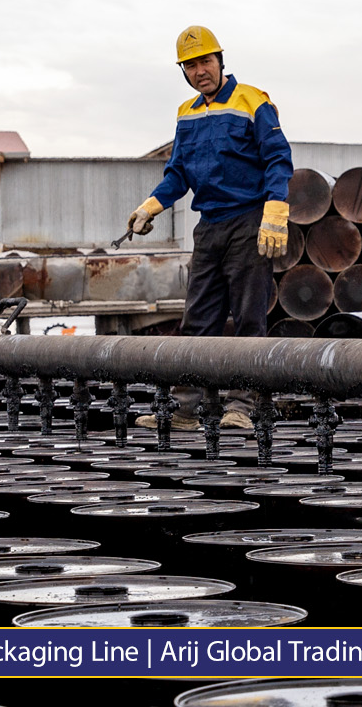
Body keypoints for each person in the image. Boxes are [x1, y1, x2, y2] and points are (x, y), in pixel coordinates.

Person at [130, 26, 294, 432]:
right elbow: (179, 172)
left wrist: (275, 209)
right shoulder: (187, 113)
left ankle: (242, 405)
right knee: (199, 318)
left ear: (221, 60)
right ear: (183, 72)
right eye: (191, 65)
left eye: (205, 61)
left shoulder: (252, 100)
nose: (200, 71)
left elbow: (277, 157)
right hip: (210, 227)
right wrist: (152, 205)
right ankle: (188, 407)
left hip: (248, 221)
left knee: (248, 317)